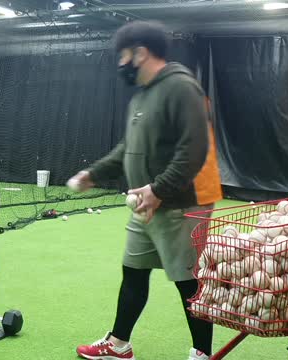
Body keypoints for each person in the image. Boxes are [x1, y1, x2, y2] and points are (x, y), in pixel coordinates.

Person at [69, 21, 218, 360]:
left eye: (123, 56)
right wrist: (93, 174)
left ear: (140, 53)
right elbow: (128, 148)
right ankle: (119, 344)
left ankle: (202, 353)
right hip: (145, 204)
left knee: (187, 282)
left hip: (181, 205)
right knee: (133, 271)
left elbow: (193, 149)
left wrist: (159, 190)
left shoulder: (182, 88)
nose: (120, 65)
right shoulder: (141, 96)